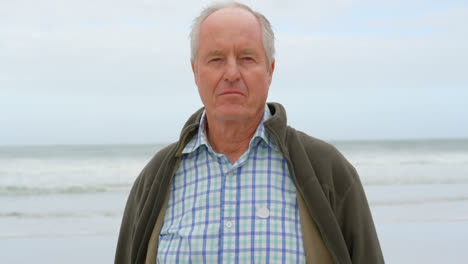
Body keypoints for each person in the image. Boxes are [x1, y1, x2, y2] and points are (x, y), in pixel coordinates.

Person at [115, 2, 384, 264]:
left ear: (270, 70)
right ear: (196, 71)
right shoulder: (155, 179)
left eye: (246, 58)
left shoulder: (326, 170)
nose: (231, 73)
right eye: (216, 59)